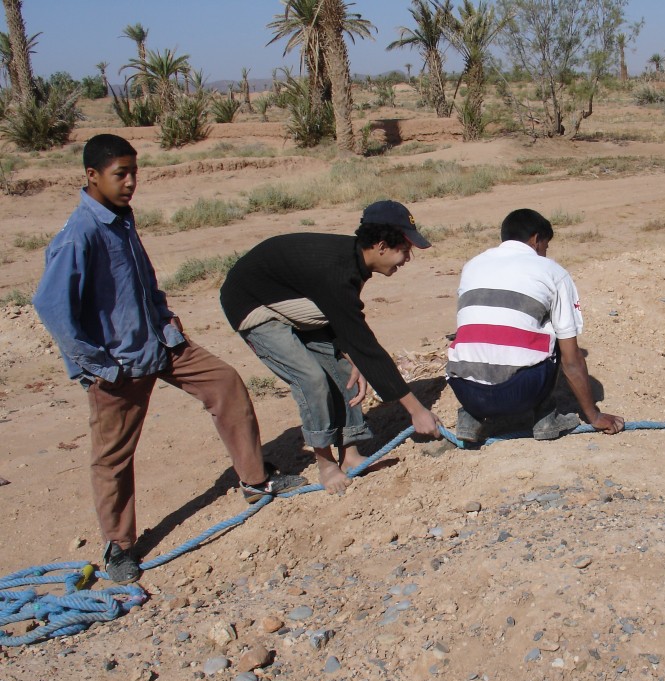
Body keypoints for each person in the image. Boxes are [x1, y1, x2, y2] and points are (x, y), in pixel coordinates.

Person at [33, 134, 306, 585]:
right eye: (120, 174)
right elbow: (52, 306)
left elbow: (141, 280)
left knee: (225, 383)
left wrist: (163, 320)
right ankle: (119, 547)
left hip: (160, 345)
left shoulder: (120, 219)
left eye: (133, 172)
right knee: (113, 457)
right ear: (92, 176)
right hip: (117, 364)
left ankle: (256, 481)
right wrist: (95, 363)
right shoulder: (79, 233)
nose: (130, 182)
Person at [220, 201, 442, 494]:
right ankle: (325, 464)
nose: (407, 259)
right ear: (381, 247)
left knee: (346, 367)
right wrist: (417, 410)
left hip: (296, 299)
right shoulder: (336, 272)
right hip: (254, 306)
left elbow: (349, 329)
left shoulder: (353, 263)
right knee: (311, 378)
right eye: (405, 249)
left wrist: (353, 356)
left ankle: (350, 456)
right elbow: (364, 343)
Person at [445, 208, 624, 442]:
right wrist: (594, 415)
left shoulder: (472, 265)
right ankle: (546, 417)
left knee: (477, 330)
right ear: (536, 239)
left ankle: (471, 417)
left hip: (466, 392)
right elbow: (571, 360)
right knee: (560, 330)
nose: (545, 253)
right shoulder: (552, 271)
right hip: (520, 395)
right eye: (545, 247)